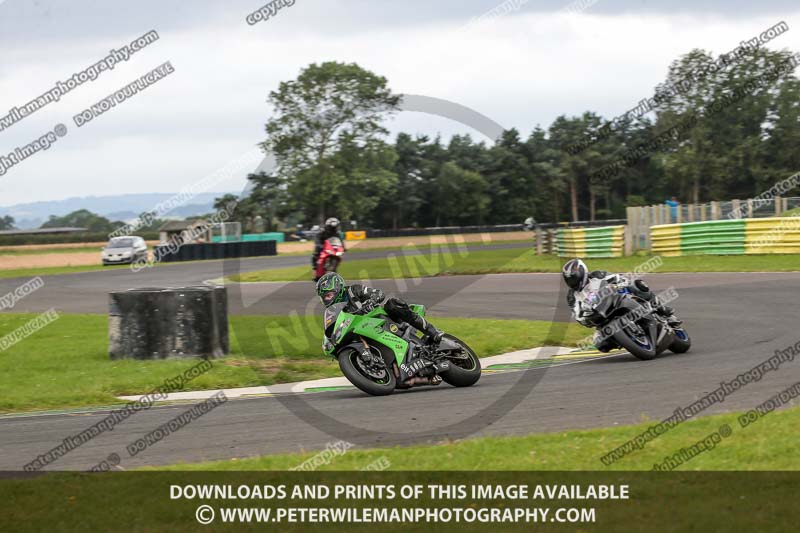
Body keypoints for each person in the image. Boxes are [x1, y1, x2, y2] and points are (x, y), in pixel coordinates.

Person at [561, 258, 678, 352]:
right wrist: (583, 317)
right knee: (600, 344)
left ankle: (660, 308)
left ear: (583, 272)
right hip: (600, 318)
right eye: (569, 280)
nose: (572, 282)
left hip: (614, 301)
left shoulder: (597, 275)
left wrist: (621, 282)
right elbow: (577, 314)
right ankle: (626, 339)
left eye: (574, 278)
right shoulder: (572, 296)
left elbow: (615, 277)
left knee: (638, 285)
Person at [315, 272, 443, 345]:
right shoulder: (334, 311)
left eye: (328, 295)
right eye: (323, 297)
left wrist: (371, 301)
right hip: (363, 330)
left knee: (392, 304)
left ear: (338, 288)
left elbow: (378, 293)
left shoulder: (354, 290)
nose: (326, 299)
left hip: (379, 318)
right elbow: (334, 327)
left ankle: (433, 332)